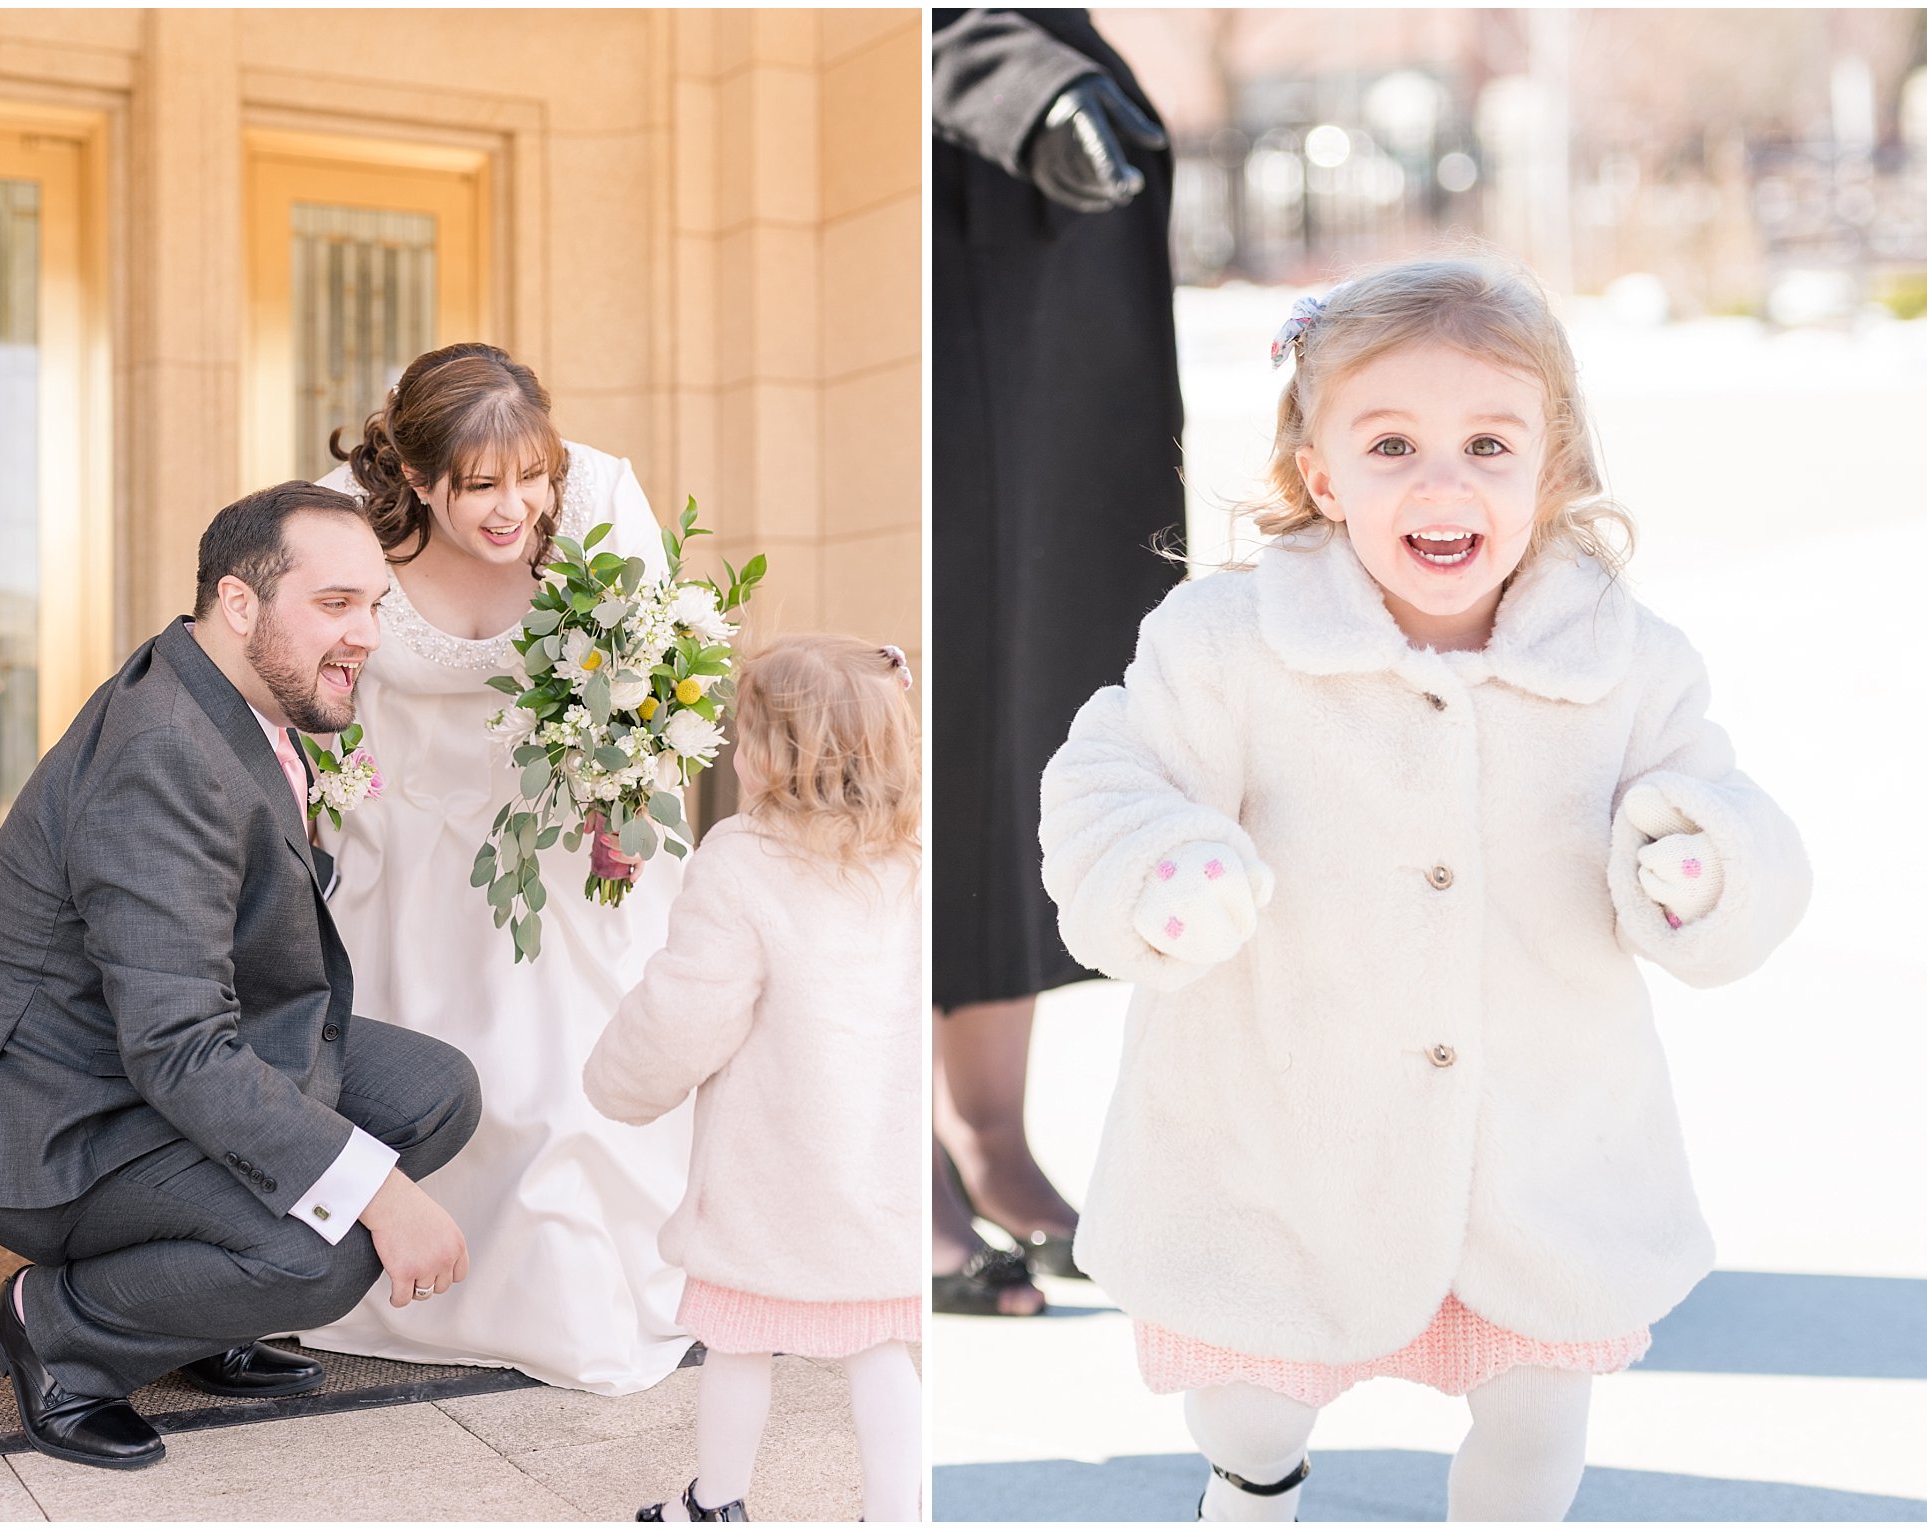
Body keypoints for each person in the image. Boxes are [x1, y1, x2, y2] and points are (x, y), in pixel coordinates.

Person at [1038, 256, 1813, 1522]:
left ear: (1551, 466)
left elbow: (1732, 815)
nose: (1441, 480)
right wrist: (1157, 866)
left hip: (1533, 1147)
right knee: (1249, 1393)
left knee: (1534, 1413)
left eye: (1487, 444)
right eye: (1390, 444)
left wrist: (1701, 861)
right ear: (1317, 473)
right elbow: (1111, 778)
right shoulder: (1227, 646)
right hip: (1280, 1134)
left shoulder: (1624, 665)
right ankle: (1250, 1485)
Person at [0, 483, 482, 1470]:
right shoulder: (162, 752)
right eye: (336, 605)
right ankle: (55, 1330)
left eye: (375, 605)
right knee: (326, 1247)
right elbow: (178, 1050)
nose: (369, 636)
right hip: (55, 1123)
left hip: (141, 1062)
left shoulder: (219, 687)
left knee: (435, 1094)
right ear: (239, 602)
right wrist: (379, 1195)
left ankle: (193, 1314)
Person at [296, 342, 692, 1392]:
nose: (516, 505)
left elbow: (648, 684)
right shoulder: (345, 523)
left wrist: (615, 805)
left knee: (563, 1079)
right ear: (418, 481)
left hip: (562, 827)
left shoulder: (599, 498)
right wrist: (335, 814)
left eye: (531, 475)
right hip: (402, 829)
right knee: (431, 1061)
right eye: (480, 488)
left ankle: (567, 1292)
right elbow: (315, 684)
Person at [930, 5, 1185, 1315]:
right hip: (917, 236)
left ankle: (989, 1132)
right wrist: (1015, 84)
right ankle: (893, 1155)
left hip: (1031, 304)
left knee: (1028, 705)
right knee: (922, 721)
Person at [584, 636, 923, 1523]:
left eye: (745, 735)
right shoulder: (911, 857)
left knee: (737, 1340)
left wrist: (620, 1081)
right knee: (883, 1346)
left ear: (778, 755)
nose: (736, 752)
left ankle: (717, 1502)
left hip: (770, 1170)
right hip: (884, 1168)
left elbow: (690, 1007)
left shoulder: (742, 860)